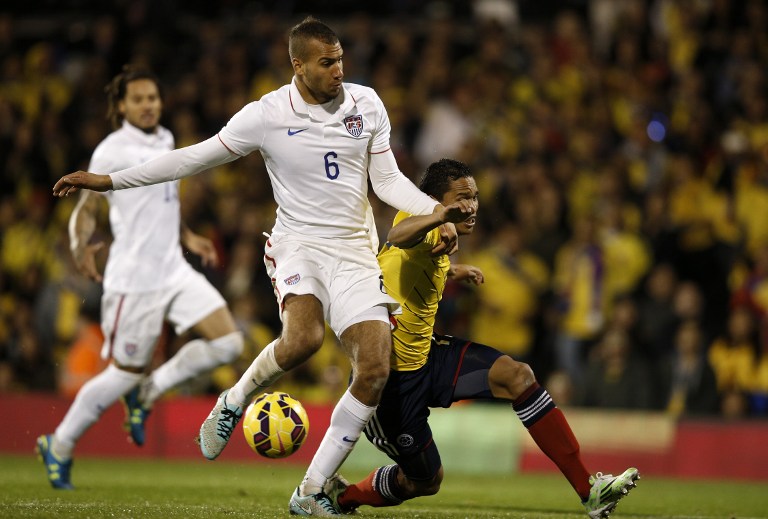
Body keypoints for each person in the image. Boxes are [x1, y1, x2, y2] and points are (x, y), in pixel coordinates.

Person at [52, 17, 456, 516]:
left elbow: (388, 181)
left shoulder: (366, 104)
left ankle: (309, 492)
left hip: (354, 249)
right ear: (298, 65)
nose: (338, 71)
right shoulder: (265, 115)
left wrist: (431, 212)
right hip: (299, 244)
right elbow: (189, 160)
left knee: (374, 367)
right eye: (327, 63)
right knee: (303, 340)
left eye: (341, 60)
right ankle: (233, 401)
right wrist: (109, 181)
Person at [323, 159, 640, 519]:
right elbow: (398, 235)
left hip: (429, 355)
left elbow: (404, 263)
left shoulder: (439, 235)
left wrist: (453, 270)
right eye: (462, 198)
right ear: (435, 199)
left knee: (518, 376)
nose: (471, 206)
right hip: (389, 383)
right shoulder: (419, 217)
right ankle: (344, 497)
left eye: (475, 197)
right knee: (425, 481)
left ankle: (590, 491)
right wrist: (441, 217)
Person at [38, 66, 244, 490]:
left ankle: (151, 391)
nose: (149, 105)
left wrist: (188, 235)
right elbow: (87, 210)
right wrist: (79, 246)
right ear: (121, 106)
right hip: (134, 281)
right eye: (139, 99)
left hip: (173, 268)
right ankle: (58, 443)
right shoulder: (111, 150)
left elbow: (164, 199)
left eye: (153, 97)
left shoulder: (166, 138)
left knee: (229, 342)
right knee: (123, 373)